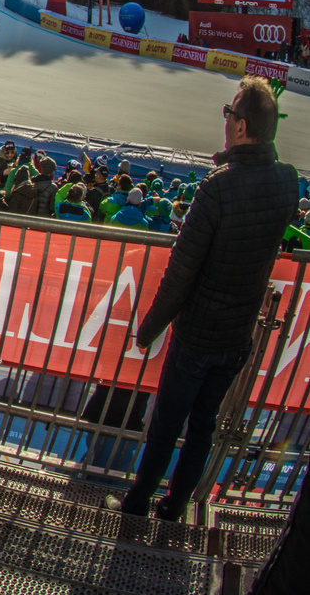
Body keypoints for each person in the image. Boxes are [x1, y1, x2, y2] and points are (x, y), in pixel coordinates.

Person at [108, 77, 299, 520]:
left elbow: (180, 272)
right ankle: (175, 507)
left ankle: (138, 504)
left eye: (229, 113)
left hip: (197, 334)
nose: (225, 119)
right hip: (237, 337)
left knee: (166, 426)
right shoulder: (287, 182)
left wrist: (150, 326)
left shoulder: (216, 188)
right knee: (203, 427)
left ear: (242, 126)